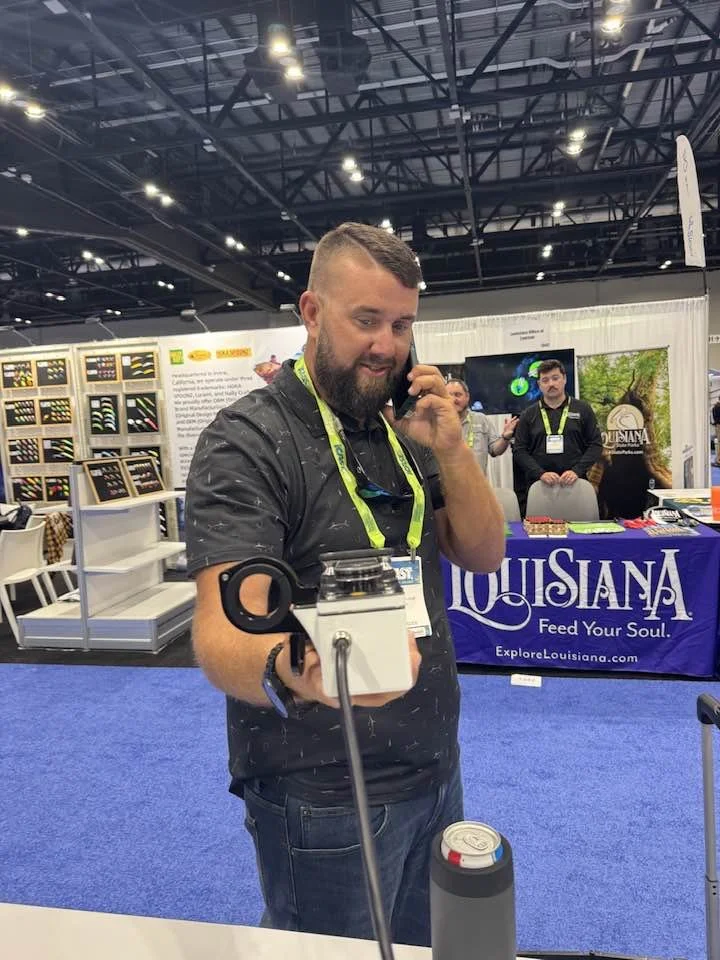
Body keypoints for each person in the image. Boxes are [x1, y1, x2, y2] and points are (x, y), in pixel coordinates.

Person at [185, 222, 505, 946]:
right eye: (367, 320)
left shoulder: (405, 428)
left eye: (401, 324)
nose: (386, 346)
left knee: (428, 945)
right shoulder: (246, 442)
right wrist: (302, 669)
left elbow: (484, 554)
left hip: (434, 764)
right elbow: (220, 633)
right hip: (323, 789)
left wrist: (452, 449)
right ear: (312, 312)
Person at [512, 358, 602, 503]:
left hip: (575, 483)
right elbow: (519, 450)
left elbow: (596, 445)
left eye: (555, 378)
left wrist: (577, 470)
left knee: (577, 523)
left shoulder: (583, 409)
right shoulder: (528, 414)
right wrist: (540, 473)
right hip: (539, 486)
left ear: (564, 379)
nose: (551, 384)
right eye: (545, 380)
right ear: (539, 384)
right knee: (542, 526)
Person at [445, 378, 517, 474]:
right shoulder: (437, 424)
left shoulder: (481, 419)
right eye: (449, 396)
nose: (453, 399)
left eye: (458, 395)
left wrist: (505, 438)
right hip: (448, 486)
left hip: (478, 485)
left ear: (467, 396)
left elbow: (495, 450)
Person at [712, 397, 720, 466]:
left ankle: (718, 459)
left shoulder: (715, 407)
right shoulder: (716, 407)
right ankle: (718, 460)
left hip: (718, 425)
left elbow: (714, 418)